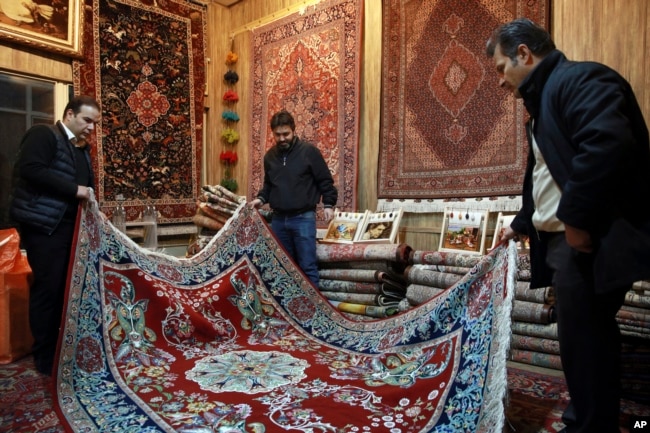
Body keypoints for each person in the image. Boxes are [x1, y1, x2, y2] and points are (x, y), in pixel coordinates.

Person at [486, 18, 650, 433]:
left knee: (586, 341)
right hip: (570, 240)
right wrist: (521, 223)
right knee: (582, 338)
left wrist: (577, 221)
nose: (501, 83)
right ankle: (588, 419)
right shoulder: (543, 104)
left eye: (502, 69)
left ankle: (590, 426)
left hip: (589, 240)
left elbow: (607, 145)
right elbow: (545, 174)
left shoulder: (581, 80)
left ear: (524, 53)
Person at [10, 95, 101, 376]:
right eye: (87, 121)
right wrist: (76, 190)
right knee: (48, 290)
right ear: (70, 114)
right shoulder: (44, 134)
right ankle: (45, 358)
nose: (91, 128)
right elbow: (30, 169)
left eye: (95, 124)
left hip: (70, 231)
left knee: (66, 290)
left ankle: (62, 351)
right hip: (45, 228)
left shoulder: (81, 149)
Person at [249, 110, 338, 286]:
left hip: (303, 218)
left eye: (286, 134)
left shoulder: (309, 152)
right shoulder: (269, 157)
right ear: (272, 133)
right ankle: (289, 309)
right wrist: (260, 199)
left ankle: (312, 309)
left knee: (307, 266)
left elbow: (325, 180)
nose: (282, 139)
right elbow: (268, 186)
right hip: (279, 220)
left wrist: (328, 204)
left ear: (294, 130)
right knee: (283, 266)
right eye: (277, 135)